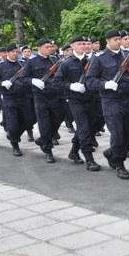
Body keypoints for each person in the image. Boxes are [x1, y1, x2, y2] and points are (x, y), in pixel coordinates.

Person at [86, 29, 129, 180]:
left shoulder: (128, 55)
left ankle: (111, 153)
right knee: (118, 134)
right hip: (111, 100)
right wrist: (105, 84)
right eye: (115, 39)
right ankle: (119, 163)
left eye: (119, 39)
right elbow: (90, 81)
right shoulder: (99, 58)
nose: (118, 42)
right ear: (107, 41)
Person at [53, 36, 101, 170]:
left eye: (86, 43)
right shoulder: (66, 63)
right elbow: (56, 82)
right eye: (80, 44)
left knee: (91, 127)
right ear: (72, 46)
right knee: (84, 127)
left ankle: (74, 151)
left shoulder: (93, 60)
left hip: (92, 98)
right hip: (76, 100)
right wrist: (70, 86)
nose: (84, 46)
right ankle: (89, 159)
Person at [21, 38, 64, 163]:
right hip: (41, 97)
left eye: (51, 46)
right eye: (47, 47)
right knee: (44, 123)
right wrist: (33, 80)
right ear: (39, 48)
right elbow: (23, 78)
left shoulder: (54, 60)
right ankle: (48, 150)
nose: (50, 49)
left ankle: (44, 139)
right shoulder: (31, 62)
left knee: (58, 118)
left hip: (54, 95)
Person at [0, 44, 30, 157]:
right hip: (9, 98)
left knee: (29, 120)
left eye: (16, 52)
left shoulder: (23, 64)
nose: (15, 54)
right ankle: (15, 145)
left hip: (24, 97)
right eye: (12, 52)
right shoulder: (0, 66)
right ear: (7, 53)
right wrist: (2, 83)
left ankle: (13, 135)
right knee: (12, 123)